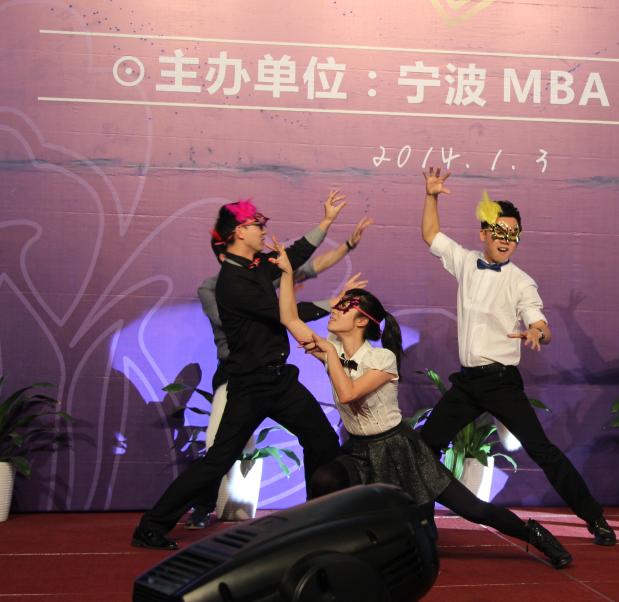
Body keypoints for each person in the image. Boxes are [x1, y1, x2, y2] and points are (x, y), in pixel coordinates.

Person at [272, 241, 573, 569]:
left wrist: (329, 353)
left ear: (361, 321)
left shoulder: (382, 359)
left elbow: (348, 394)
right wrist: (286, 273)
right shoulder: (334, 350)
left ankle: (534, 534)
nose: (335, 309)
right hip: (360, 451)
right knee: (326, 479)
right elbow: (289, 317)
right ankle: (316, 549)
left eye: (344, 306)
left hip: (400, 450)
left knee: (473, 509)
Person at [131, 194, 347, 549]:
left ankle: (314, 518)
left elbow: (292, 256)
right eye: (255, 225)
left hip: (280, 380)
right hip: (251, 385)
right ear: (238, 232)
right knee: (218, 461)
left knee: (322, 441)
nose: (262, 230)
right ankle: (151, 526)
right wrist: (331, 305)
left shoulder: (253, 266)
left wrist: (326, 222)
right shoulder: (233, 282)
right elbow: (287, 314)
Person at [417, 168, 617, 545]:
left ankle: (596, 518)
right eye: (500, 232)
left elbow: (541, 323)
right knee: (423, 448)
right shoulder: (465, 261)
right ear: (484, 234)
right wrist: (431, 196)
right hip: (467, 383)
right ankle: (422, 523)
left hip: (501, 383)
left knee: (541, 450)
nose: (507, 241)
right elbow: (430, 235)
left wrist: (537, 332)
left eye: (514, 234)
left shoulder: (521, 281)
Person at [185, 216, 372, 529]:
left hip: (273, 377)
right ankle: (202, 506)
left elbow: (307, 267)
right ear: (227, 251)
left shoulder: (257, 277)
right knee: (219, 446)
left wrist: (344, 242)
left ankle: (317, 508)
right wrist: (289, 307)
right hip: (236, 377)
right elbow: (243, 317)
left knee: (319, 438)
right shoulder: (216, 287)